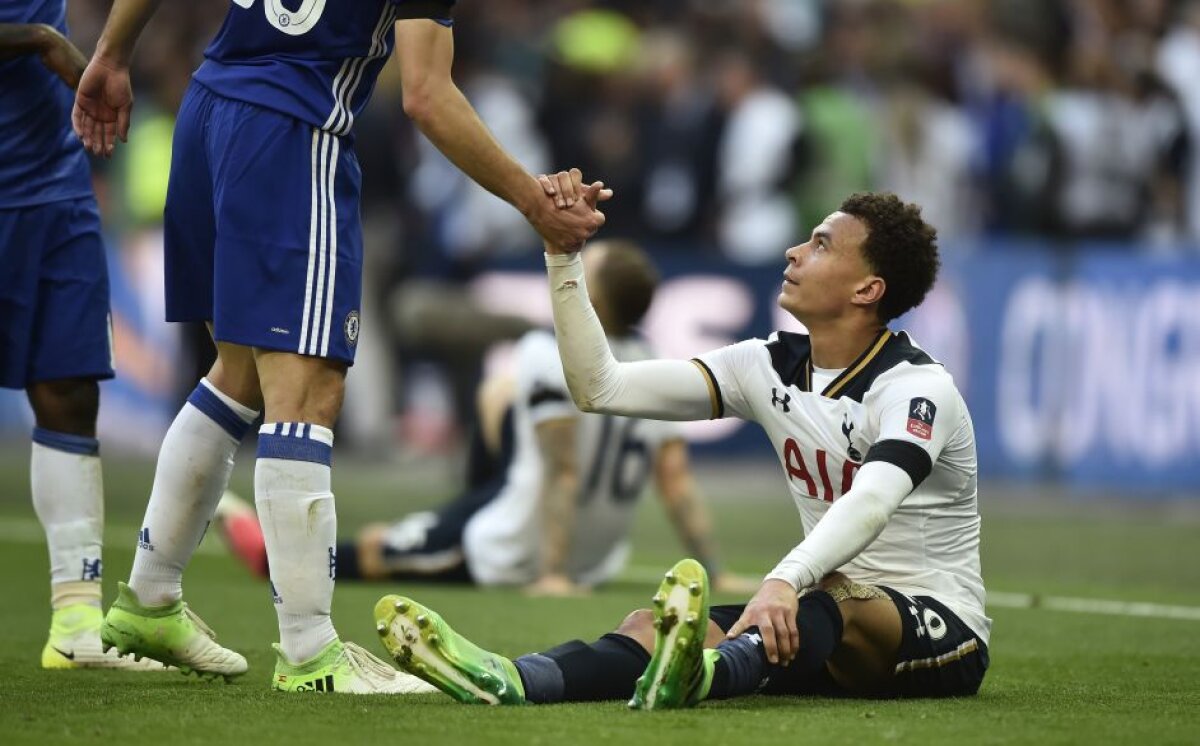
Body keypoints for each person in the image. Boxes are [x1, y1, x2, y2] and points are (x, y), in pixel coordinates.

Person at [71, 0, 605, 693]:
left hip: (209, 111)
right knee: (308, 388)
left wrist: (112, 52)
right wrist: (534, 202)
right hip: (294, 131)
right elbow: (426, 95)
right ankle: (310, 653)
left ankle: (148, 598)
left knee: (239, 373)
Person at [371, 190, 991, 706]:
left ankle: (705, 676)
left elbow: (873, 501)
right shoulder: (763, 365)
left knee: (838, 597)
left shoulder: (917, 388)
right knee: (648, 627)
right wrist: (562, 258)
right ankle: (515, 678)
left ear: (866, 290)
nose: (795, 251)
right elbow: (600, 387)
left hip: (938, 627)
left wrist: (783, 580)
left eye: (822, 245)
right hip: (812, 616)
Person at [216, 241, 751, 596]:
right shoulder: (653, 362)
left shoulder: (548, 352)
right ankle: (461, 509)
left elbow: (564, 471)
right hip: (595, 559)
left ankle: (271, 558)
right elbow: (676, 484)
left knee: (382, 550)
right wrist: (717, 571)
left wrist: (553, 576)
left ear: (597, 296)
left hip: (514, 550)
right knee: (500, 400)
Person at [0, 5, 161, 672]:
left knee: (68, 388)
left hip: (54, 182)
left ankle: (76, 620)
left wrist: (112, 49)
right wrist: (38, 38)